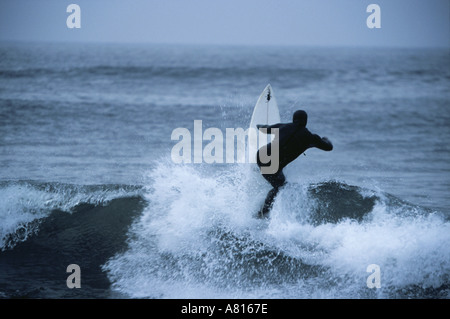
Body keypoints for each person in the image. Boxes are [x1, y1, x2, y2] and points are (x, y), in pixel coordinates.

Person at [256, 110, 333, 216]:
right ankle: (263, 213)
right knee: (279, 186)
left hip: (261, 155)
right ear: (306, 121)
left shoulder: (282, 127)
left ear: (293, 120)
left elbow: (263, 129)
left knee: (279, 178)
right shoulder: (311, 138)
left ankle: (260, 171)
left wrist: (258, 125)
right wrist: (324, 139)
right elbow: (329, 147)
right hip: (272, 165)